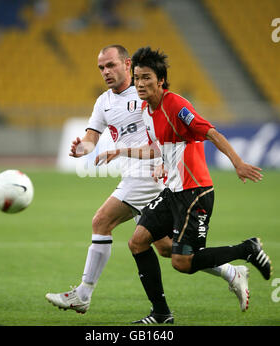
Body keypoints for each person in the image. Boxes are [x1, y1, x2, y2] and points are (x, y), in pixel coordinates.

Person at [46, 45, 251, 323]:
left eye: (111, 65)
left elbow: (174, 133)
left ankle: (84, 293)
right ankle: (231, 272)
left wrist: (166, 163)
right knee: (167, 249)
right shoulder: (103, 102)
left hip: (150, 177)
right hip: (134, 175)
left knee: (101, 222)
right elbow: (91, 138)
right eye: (101, 68)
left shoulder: (147, 93)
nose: (106, 72)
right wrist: (81, 148)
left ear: (126, 64)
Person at [95, 46, 272, 324]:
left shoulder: (177, 105)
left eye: (146, 78)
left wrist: (238, 163)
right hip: (172, 191)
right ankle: (161, 314)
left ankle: (247, 250)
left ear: (161, 80)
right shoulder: (145, 110)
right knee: (138, 242)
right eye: (137, 77)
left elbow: (211, 132)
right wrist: (121, 152)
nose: (140, 84)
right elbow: (155, 148)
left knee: (182, 263)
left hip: (195, 193)